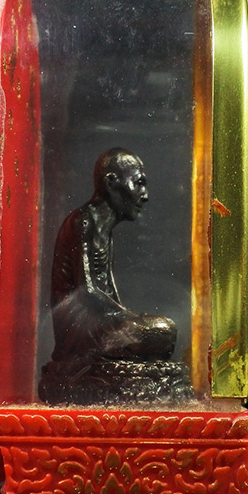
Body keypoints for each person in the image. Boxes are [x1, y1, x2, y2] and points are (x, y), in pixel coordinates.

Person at [49, 147, 177, 364]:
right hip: (80, 327)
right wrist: (126, 318)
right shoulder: (84, 222)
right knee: (157, 332)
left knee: (165, 329)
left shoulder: (106, 230)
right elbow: (86, 290)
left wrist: (126, 319)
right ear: (111, 183)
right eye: (138, 183)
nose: (145, 195)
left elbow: (108, 285)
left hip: (101, 319)